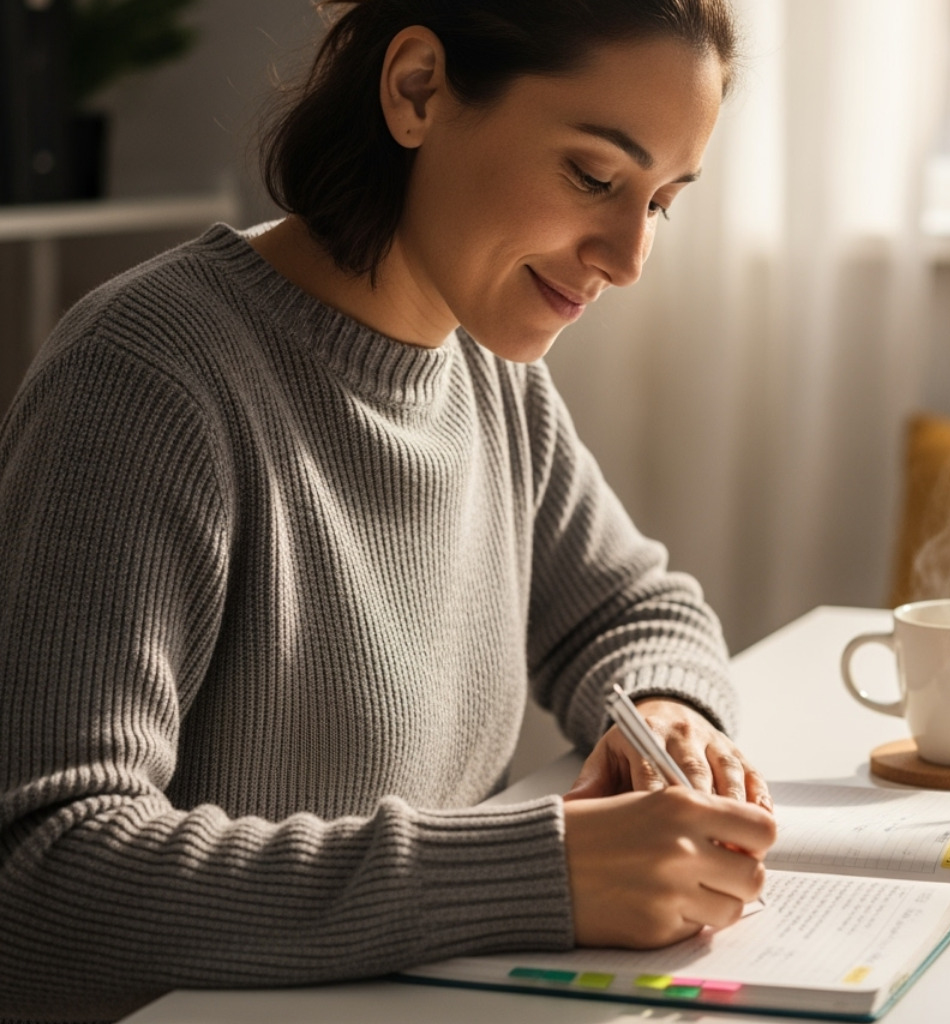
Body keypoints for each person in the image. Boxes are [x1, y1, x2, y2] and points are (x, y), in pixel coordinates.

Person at [0, 1, 777, 1020]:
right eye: (594, 177)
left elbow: (632, 608)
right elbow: (43, 885)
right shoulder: (148, 377)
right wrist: (535, 873)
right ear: (417, 89)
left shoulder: (491, 378)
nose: (630, 257)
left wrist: (668, 715)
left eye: (663, 200)